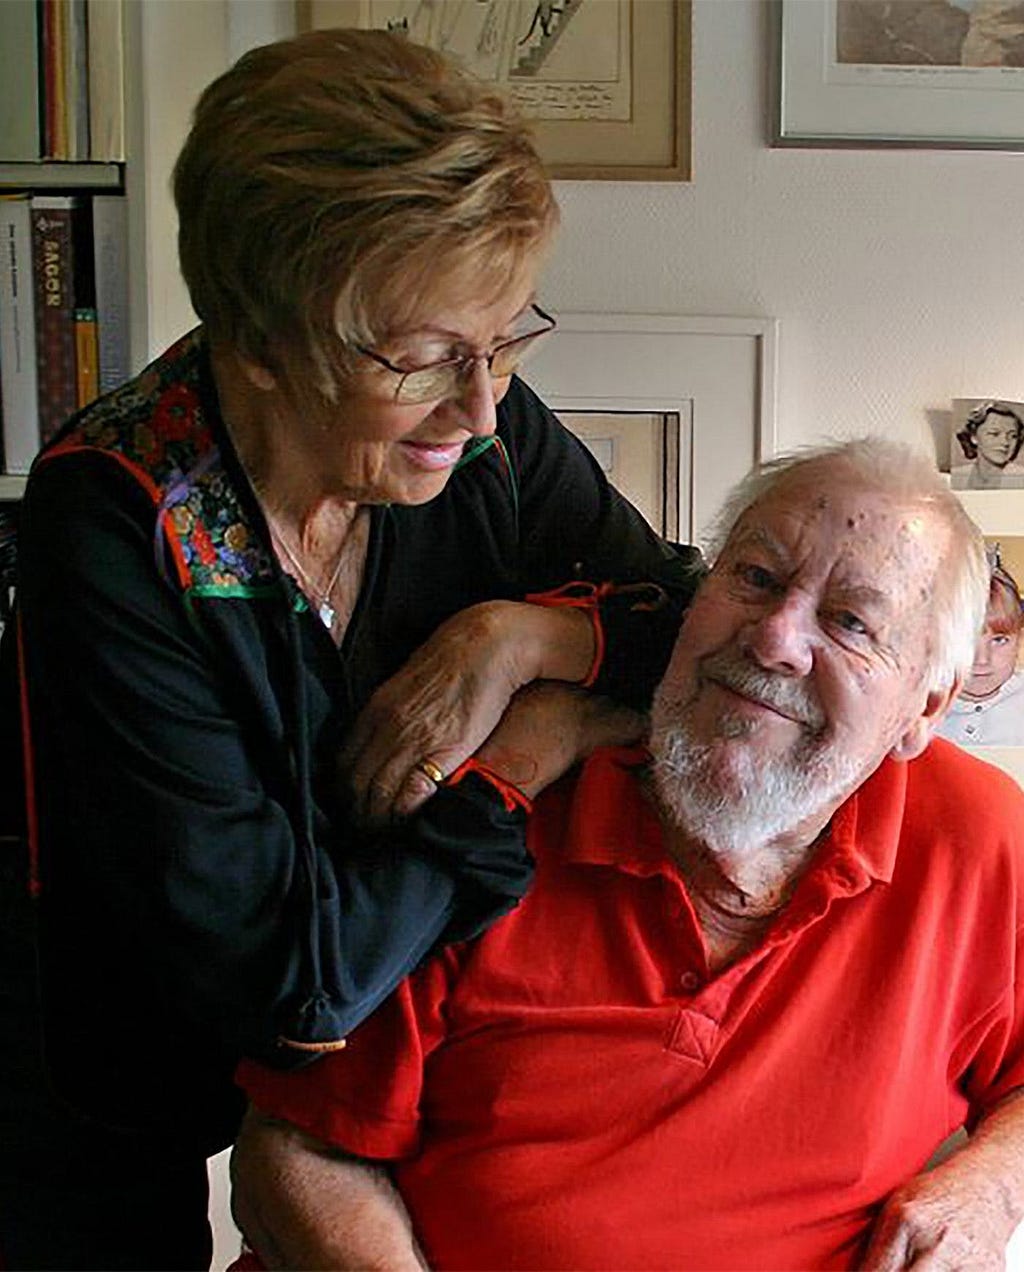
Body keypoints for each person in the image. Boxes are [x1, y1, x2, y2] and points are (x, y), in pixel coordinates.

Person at [0, 28, 701, 1271]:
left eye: (503, 339)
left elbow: (684, 624)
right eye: (423, 358)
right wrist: (523, 752)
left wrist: (523, 636)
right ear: (263, 342)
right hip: (104, 1078)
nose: (483, 406)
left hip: (400, 1031)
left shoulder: (477, 431)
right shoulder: (115, 515)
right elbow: (280, 986)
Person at [232, 438, 1024, 1271]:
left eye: (851, 621)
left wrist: (996, 1185)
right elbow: (294, 1155)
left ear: (923, 708)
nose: (776, 638)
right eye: (754, 578)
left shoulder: (977, 837)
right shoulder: (493, 802)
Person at [938, 559, 1024, 746]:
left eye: (999, 640)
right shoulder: (909, 709)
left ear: (1020, 640)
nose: (981, 660)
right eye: (966, 640)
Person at [952, 400, 1024, 489]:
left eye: (1013, 436)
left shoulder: (1020, 478)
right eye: (994, 434)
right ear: (974, 437)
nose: (1005, 442)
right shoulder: (957, 475)